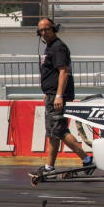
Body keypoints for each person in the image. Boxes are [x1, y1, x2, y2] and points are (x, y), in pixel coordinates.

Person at [33, 17, 92, 176]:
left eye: (47, 29)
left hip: (58, 97)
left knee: (59, 130)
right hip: (51, 95)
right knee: (53, 132)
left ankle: (87, 160)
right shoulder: (50, 47)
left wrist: (58, 95)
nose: (44, 32)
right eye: (41, 30)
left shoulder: (58, 47)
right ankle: (49, 167)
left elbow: (63, 72)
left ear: (54, 29)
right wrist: (49, 93)